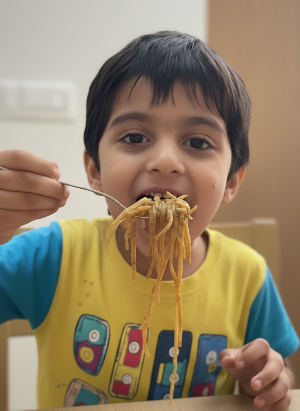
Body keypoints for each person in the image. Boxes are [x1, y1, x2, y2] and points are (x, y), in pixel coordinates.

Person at [0, 31, 298, 410]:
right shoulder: (54, 255)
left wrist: (266, 380)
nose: (165, 160)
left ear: (231, 181)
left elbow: (280, 374)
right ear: (94, 171)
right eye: (136, 136)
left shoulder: (248, 276)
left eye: (198, 142)